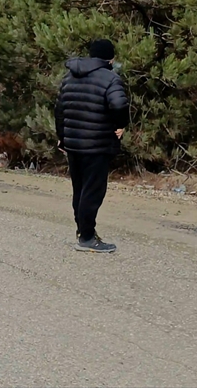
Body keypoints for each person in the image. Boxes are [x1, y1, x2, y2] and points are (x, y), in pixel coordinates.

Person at [55, 39, 130, 253]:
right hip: (97, 145)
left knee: (79, 189)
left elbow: (59, 110)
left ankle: (83, 231)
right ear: (111, 59)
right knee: (93, 191)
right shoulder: (111, 78)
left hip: (73, 144)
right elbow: (119, 104)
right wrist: (120, 125)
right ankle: (87, 237)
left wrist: (62, 137)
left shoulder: (69, 77)